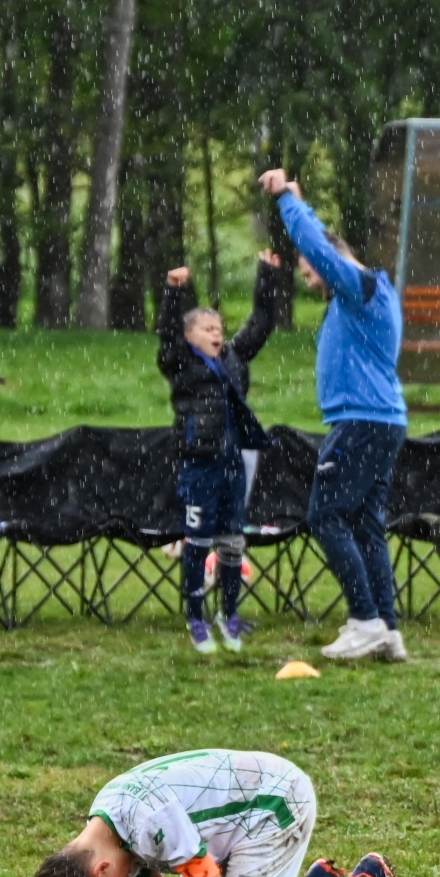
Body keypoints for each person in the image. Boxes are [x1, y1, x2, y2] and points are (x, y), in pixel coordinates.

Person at [256, 167, 410, 664]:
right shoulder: (369, 292)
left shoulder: (360, 287)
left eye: (309, 272)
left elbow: (321, 248)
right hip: (382, 419)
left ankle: (364, 620)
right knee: (365, 524)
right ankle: (386, 628)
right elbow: (322, 244)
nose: (309, 280)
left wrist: (285, 200)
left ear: (332, 261)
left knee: (325, 516)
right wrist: (303, 206)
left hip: (362, 421)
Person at [32, 749, 419, 877]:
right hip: (246, 813)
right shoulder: (108, 823)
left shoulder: (149, 819)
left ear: (101, 870)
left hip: (276, 802)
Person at [158, 255, 279, 653]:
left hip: (233, 464)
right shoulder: (180, 362)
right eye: (207, 328)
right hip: (200, 466)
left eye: (219, 328)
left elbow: (261, 323)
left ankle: (230, 616)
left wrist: (267, 276)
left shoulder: (233, 358)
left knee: (232, 543)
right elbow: (167, 334)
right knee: (197, 542)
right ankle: (196, 618)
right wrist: (173, 291)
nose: (217, 334)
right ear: (189, 335)